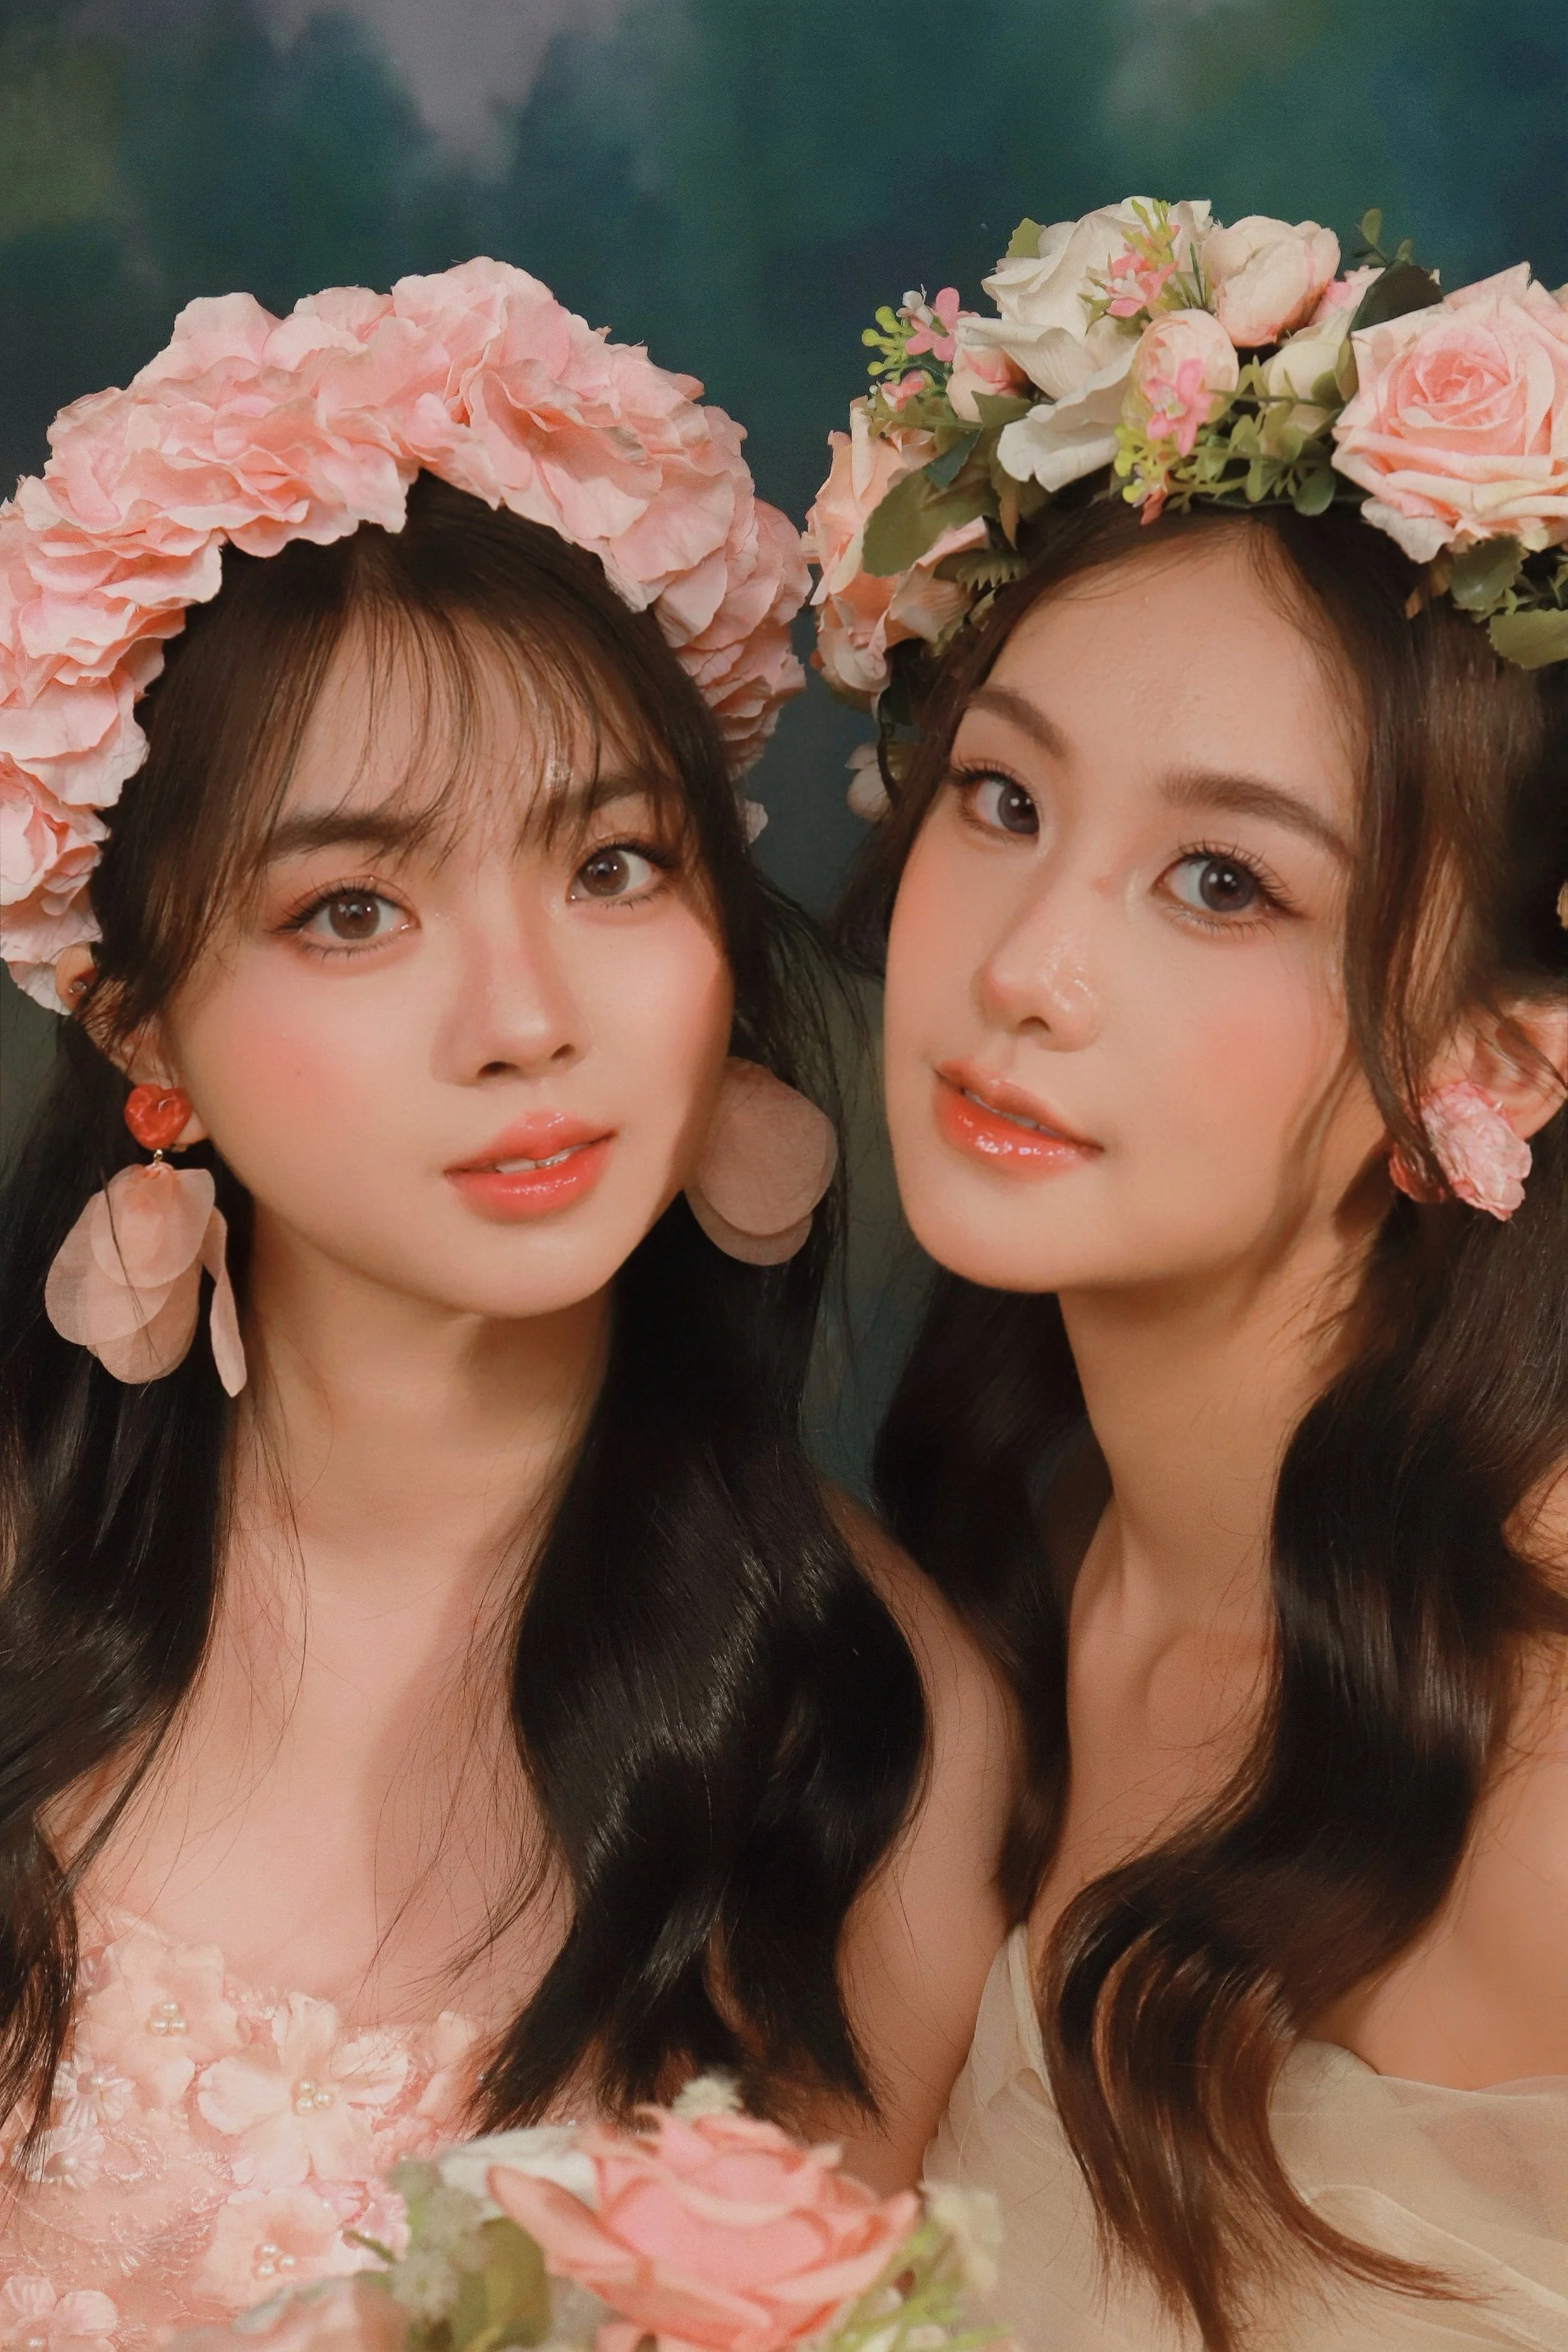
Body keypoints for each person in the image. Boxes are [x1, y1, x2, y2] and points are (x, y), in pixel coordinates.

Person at [0, 262, 1009, 2337]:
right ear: (139, 1017)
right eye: (353, 908)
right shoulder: (22, 1547)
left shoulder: (863, 1723)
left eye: (612, 866)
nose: (527, 1018)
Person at [809, 204, 1568, 2348]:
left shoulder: (1539, 1751)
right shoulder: (1020, 1560)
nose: (1023, 969)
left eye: (1218, 880)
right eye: (999, 796)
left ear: (1488, 1054)